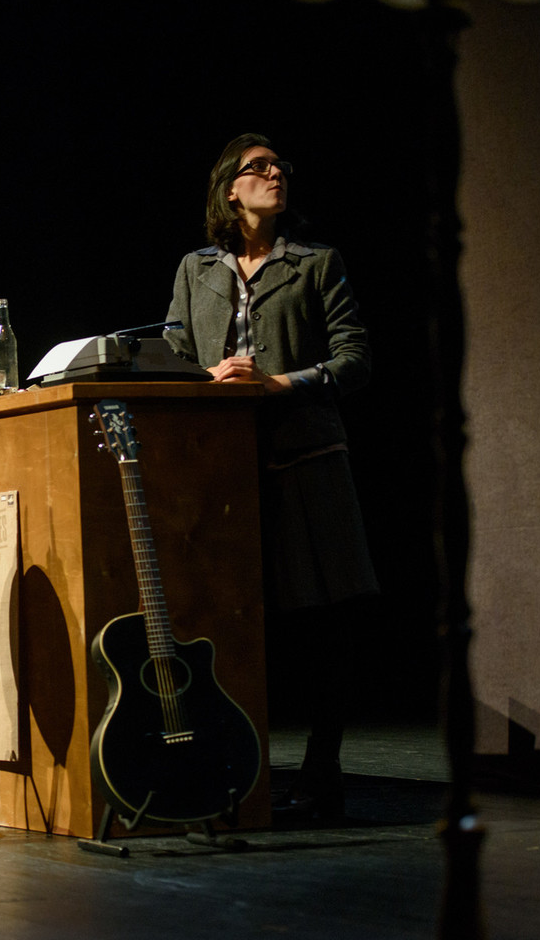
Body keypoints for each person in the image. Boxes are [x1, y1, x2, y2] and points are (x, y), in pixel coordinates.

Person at [164, 134, 377, 820]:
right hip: (223, 463)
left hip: (307, 457)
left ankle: (322, 772)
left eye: (280, 165)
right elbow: (172, 355)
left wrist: (280, 381)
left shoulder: (316, 263)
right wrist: (209, 376)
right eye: (258, 168)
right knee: (231, 618)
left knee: (324, 621)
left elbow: (354, 358)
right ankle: (234, 766)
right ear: (230, 189)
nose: (275, 174)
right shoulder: (196, 269)